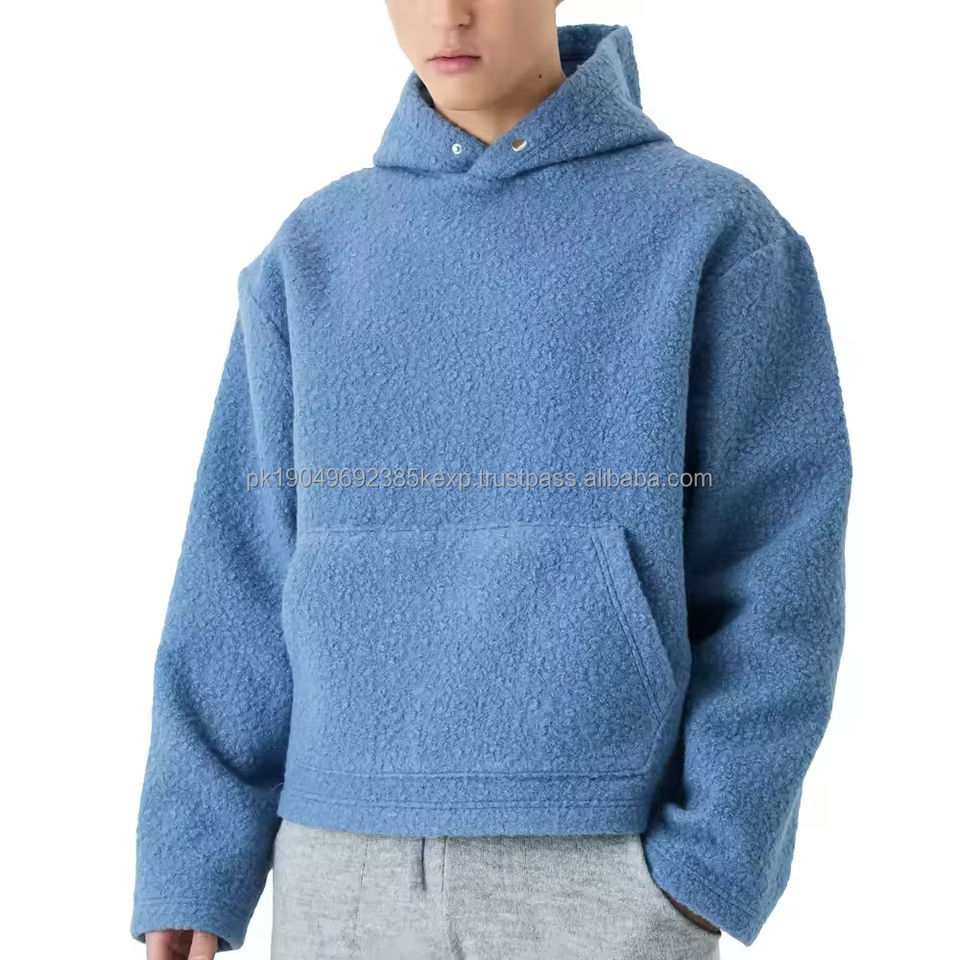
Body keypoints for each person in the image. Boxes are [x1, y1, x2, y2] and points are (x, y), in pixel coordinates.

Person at [130, 3, 852, 958]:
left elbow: (780, 569)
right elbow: (239, 574)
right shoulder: (312, 253)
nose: (450, 14)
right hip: (338, 865)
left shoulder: (713, 233)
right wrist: (196, 857)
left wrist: (711, 861)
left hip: (603, 867)